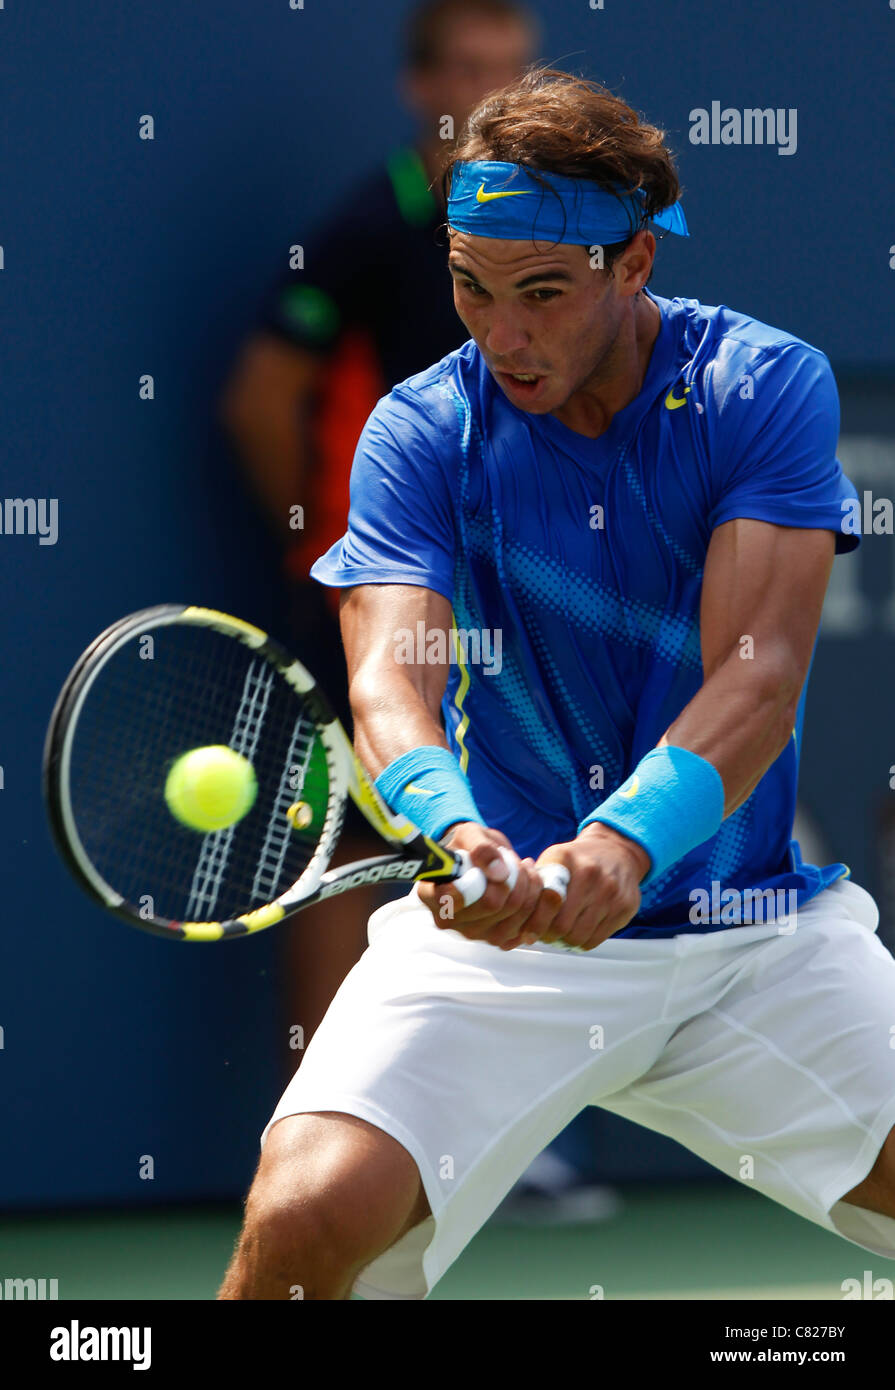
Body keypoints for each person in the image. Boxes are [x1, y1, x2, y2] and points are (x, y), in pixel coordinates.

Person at [219, 67, 895, 1303]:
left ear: (634, 263)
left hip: (749, 935)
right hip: (500, 947)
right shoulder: (421, 429)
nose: (501, 333)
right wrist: (451, 827)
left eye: (542, 292)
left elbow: (760, 674)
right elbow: (386, 685)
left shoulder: (759, 385)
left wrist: (624, 844)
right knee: (303, 1222)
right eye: (471, 288)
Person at [220, 0, 539, 1050]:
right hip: (377, 594)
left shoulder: (542, 228)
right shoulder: (368, 226)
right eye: (466, 69)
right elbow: (263, 399)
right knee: (347, 853)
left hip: (509, 587)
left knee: (499, 832)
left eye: (510, 68)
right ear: (421, 86)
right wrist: (337, 552)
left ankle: (486, 1125)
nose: (488, 94)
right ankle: (322, 1119)